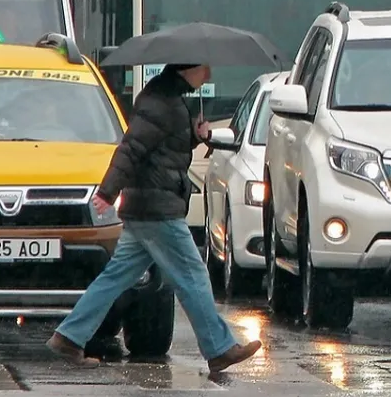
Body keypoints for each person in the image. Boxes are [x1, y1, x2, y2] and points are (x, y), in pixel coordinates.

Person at [46, 64, 262, 372]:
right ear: (188, 69)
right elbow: (131, 149)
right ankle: (219, 348)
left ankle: (68, 337)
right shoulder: (162, 103)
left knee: (115, 277)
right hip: (157, 208)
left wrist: (196, 136)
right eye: (205, 70)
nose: (209, 76)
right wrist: (107, 191)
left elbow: (161, 149)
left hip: (147, 205)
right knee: (193, 276)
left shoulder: (166, 99)